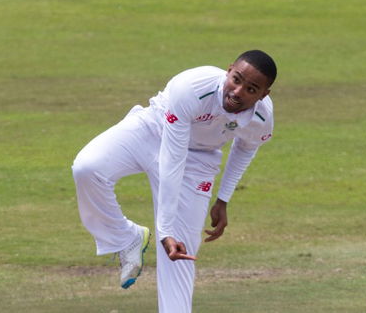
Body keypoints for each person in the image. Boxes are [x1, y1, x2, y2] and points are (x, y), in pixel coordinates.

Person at [72, 50, 277, 312]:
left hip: (199, 159)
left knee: (179, 255)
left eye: (251, 89)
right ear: (228, 71)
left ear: (263, 94)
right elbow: (172, 158)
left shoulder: (263, 118)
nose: (237, 92)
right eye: (236, 79)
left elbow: (246, 147)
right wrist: (164, 229)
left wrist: (223, 198)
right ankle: (126, 238)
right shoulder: (192, 87)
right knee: (87, 168)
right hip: (152, 128)